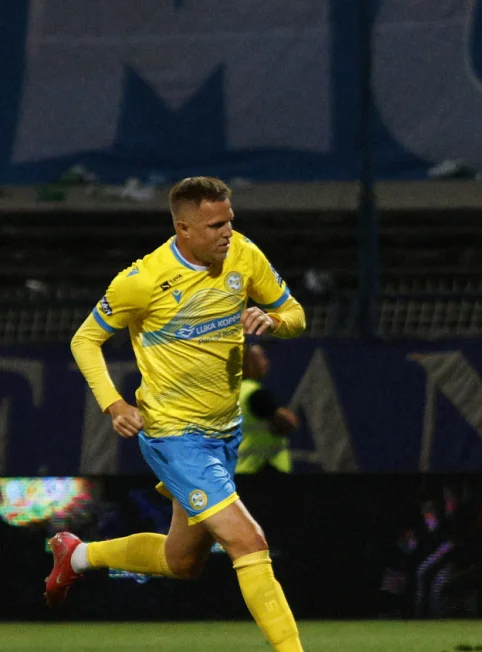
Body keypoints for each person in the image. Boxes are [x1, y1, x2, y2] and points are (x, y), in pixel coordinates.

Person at [52, 177, 306, 651]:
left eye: (230, 221)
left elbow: (295, 314)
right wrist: (114, 403)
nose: (227, 232)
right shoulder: (142, 280)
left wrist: (274, 321)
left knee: (183, 562)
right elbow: (84, 339)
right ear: (184, 229)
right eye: (215, 225)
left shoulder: (244, 255)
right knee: (248, 542)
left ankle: (79, 555)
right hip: (175, 436)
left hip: (224, 434)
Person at [236, 343, 300, 475]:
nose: (266, 363)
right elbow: (290, 422)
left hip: (239, 470)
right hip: (261, 471)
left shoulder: (235, 391)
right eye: (261, 358)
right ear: (249, 363)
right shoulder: (255, 394)